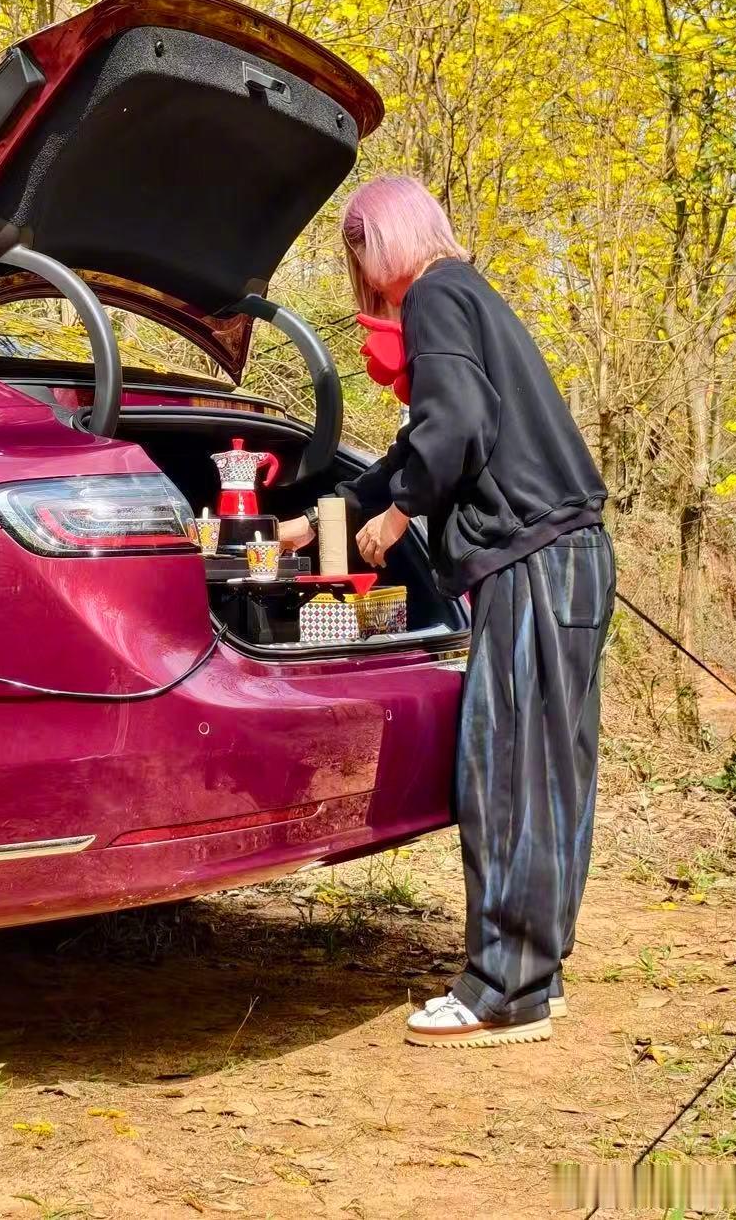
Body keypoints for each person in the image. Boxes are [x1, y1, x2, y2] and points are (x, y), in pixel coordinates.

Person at [279, 175, 614, 1049]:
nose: (360, 273)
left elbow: (453, 425)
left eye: (356, 252)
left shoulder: (434, 295)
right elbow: (418, 442)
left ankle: (500, 991)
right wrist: (325, 516)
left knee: (503, 770)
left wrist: (397, 517)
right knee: (547, 772)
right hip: (567, 557)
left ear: (375, 242)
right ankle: (532, 974)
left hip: (533, 562)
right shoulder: (469, 294)